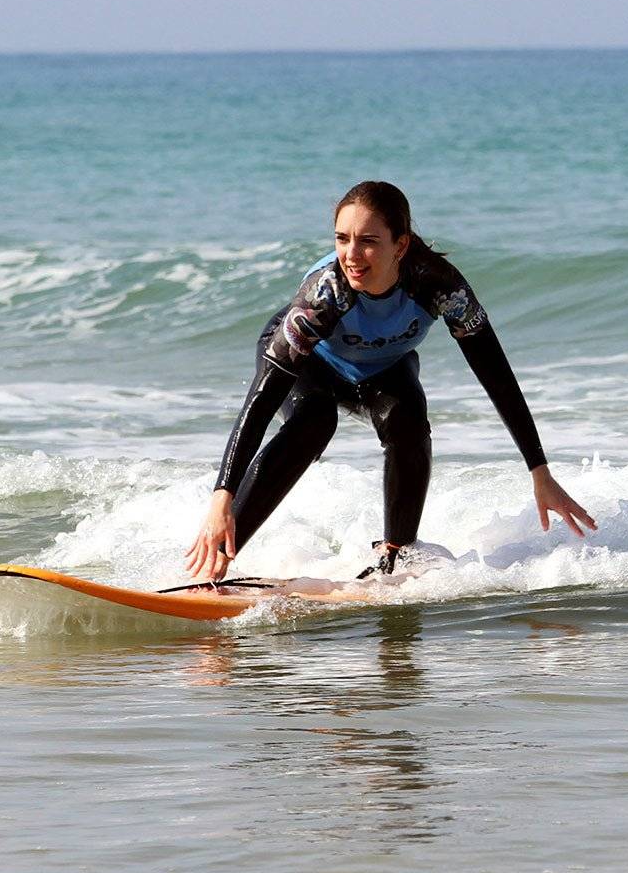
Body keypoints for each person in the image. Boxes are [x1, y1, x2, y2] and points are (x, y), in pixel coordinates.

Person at [186, 181, 596, 582]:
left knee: (407, 418)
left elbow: (496, 373)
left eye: (368, 240)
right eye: (342, 239)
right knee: (313, 422)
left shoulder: (438, 286)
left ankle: (395, 556)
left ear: (400, 245)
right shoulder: (325, 295)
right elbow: (262, 399)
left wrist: (539, 470)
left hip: (381, 366)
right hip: (311, 364)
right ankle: (215, 564)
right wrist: (222, 494)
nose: (351, 254)